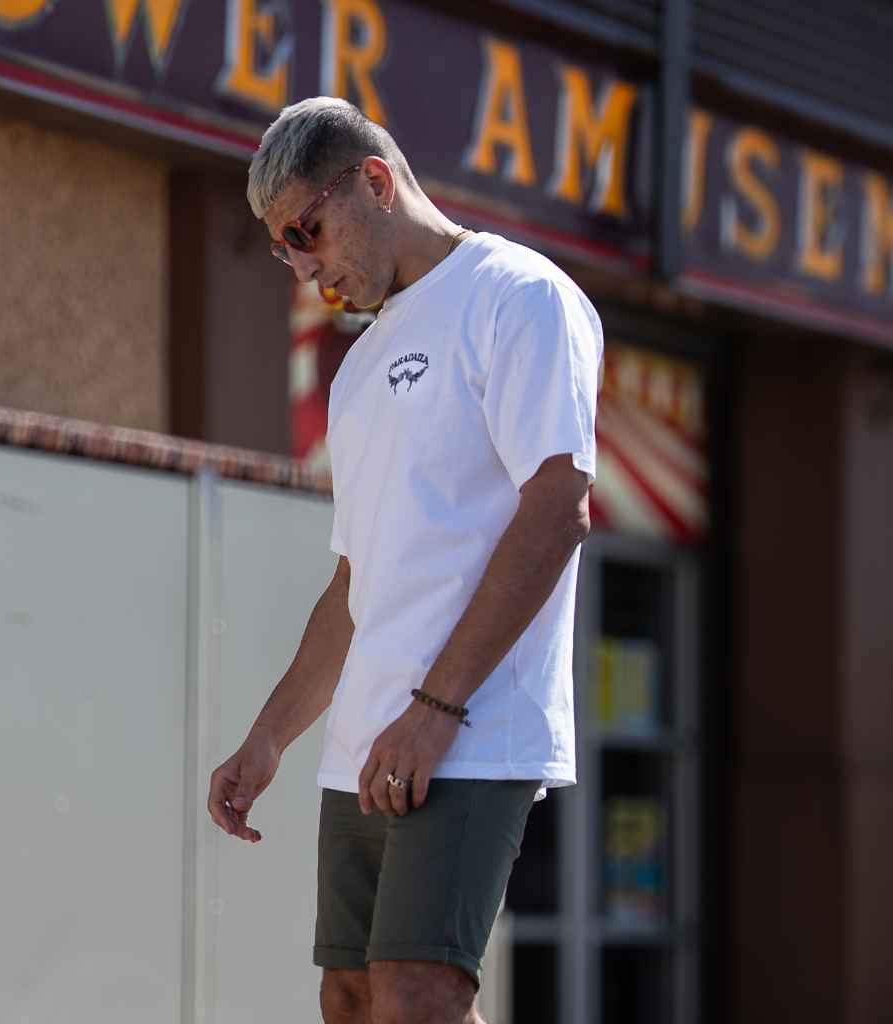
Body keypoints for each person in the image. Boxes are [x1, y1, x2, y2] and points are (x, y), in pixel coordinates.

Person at [206, 96, 602, 1024]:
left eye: (307, 230)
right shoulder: (356, 371)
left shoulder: (520, 296)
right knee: (349, 1000)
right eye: (282, 248)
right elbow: (355, 585)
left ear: (375, 181)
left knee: (417, 998)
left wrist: (435, 711)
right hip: (364, 740)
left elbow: (557, 511)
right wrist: (269, 737)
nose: (305, 265)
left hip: (468, 729)